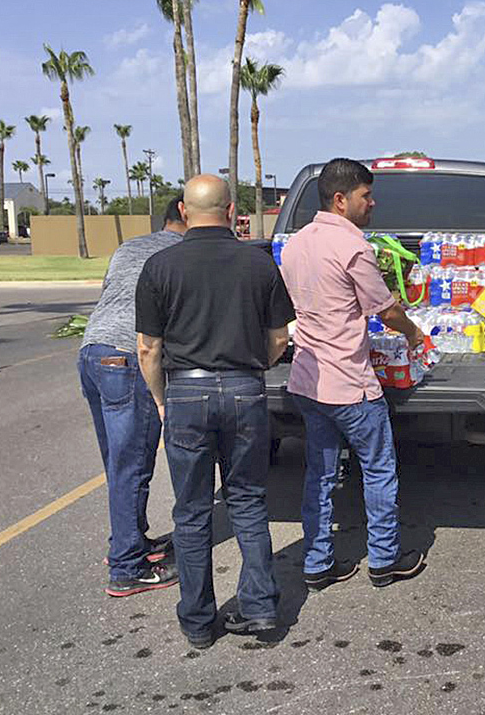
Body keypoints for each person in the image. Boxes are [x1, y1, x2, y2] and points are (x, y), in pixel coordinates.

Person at [135, 175, 294, 650]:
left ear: (184, 212)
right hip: (245, 390)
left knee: (192, 510)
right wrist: (251, 369)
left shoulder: (160, 266)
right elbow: (280, 339)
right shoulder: (259, 264)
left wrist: (163, 399)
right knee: (247, 501)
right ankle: (261, 605)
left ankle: (199, 620)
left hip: (186, 391)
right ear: (231, 212)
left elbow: (148, 349)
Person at [279, 158, 428, 591]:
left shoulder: (295, 245)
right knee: (378, 469)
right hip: (350, 384)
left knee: (320, 475)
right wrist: (415, 333)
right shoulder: (354, 248)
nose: (373, 203)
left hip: (308, 380)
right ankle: (384, 559)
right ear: (341, 200)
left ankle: (317, 563)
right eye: (366, 195)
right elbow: (385, 310)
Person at [78, 195, 186, 597]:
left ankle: (131, 540)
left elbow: (111, 293)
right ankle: (126, 567)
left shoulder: (128, 247)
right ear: (188, 215)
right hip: (128, 359)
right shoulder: (182, 252)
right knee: (133, 465)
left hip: (93, 353)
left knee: (118, 462)